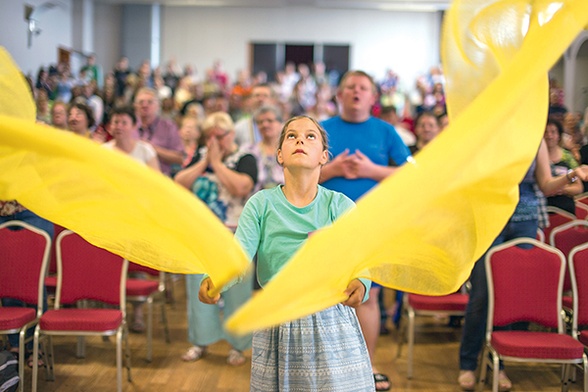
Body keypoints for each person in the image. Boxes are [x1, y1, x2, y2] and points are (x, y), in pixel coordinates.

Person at [199, 115, 375, 391]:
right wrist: (219, 277)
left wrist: (361, 281)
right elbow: (239, 254)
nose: (300, 140)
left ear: (324, 157)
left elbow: (359, 256)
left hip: (329, 317)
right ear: (279, 155)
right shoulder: (261, 204)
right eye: (291, 136)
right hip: (277, 318)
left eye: (310, 136)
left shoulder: (340, 205)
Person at [458, 139, 588, 391]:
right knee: (482, 294)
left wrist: (572, 174)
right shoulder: (488, 133)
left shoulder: (533, 136)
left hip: (525, 220)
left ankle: (500, 364)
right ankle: (468, 363)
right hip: (490, 217)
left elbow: (547, 185)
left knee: (512, 295)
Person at [320, 70, 412, 391]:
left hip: (372, 226)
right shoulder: (322, 130)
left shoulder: (386, 132)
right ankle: (326, 366)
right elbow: (297, 174)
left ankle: (368, 365)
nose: (356, 92)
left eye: (363, 88)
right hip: (324, 226)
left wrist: (372, 170)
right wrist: (332, 169)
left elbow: (410, 175)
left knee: (367, 295)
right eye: (350, 87)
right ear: (339, 95)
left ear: (373, 97)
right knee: (324, 297)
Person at [174, 112, 257, 366]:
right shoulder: (200, 156)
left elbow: (241, 187)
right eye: (208, 136)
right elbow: (179, 183)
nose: (212, 141)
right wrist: (205, 162)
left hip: (235, 234)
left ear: (231, 134)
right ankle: (200, 341)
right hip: (201, 235)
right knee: (198, 289)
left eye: (218, 136)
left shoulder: (244, 158)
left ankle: (238, 346)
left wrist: (219, 164)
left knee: (237, 291)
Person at [134, 87, 184, 177]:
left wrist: (152, 148)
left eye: (149, 102)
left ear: (158, 105)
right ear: (135, 106)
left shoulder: (169, 127)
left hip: (161, 177)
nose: (144, 105)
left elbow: (179, 158)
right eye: (141, 102)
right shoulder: (129, 127)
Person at [543, 118, 583, 214]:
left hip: (565, 208)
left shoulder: (567, 158)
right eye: (546, 132)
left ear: (559, 136)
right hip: (543, 207)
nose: (549, 136)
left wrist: (563, 189)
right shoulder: (535, 159)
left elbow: (578, 187)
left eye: (553, 132)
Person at [245, 105, 285, 192]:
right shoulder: (249, 150)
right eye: (260, 122)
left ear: (281, 124)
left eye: (270, 121)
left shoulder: (289, 150)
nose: (265, 125)